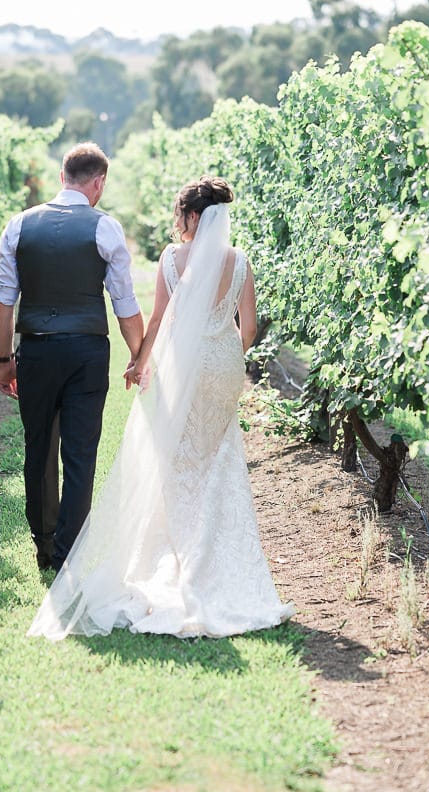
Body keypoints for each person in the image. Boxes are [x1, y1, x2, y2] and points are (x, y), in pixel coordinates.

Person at [28, 176, 294, 640]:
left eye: (180, 214)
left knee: (175, 462)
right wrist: (223, 355)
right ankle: (212, 565)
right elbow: (248, 329)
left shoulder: (172, 259)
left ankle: (179, 560)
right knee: (218, 460)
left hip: (180, 368)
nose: (178, 223)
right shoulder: (241, 262)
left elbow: (157, 320)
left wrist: (139, 362)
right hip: (224, 366)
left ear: (192, 216)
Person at [0, 142, 144, 572]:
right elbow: (125, 303)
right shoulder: (105, 228)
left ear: (62, 177)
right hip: (86, 353)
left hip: (36, 350)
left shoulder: (19, 225)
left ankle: (43, 544)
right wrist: (138, 355)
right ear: (98, 183)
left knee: (38, 448)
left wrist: (5, 360)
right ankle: (69, 551)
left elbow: (3, 302)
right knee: (80, 452)